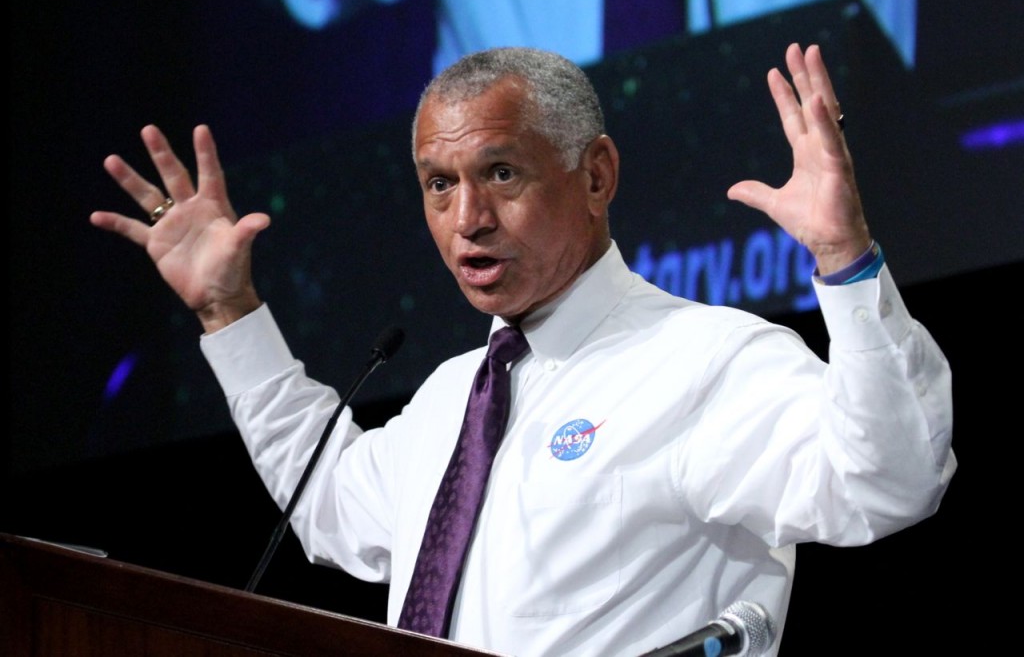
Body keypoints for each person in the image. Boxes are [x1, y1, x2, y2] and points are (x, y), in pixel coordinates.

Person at [90, 43, 955, 657]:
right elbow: (326, 508)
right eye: (440, 185)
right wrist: (230, 310)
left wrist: (847, 265)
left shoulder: (709, 362)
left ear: (596, 175)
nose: (467, 219)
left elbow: (889, 482)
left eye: (501, 173)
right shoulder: (448, 398)